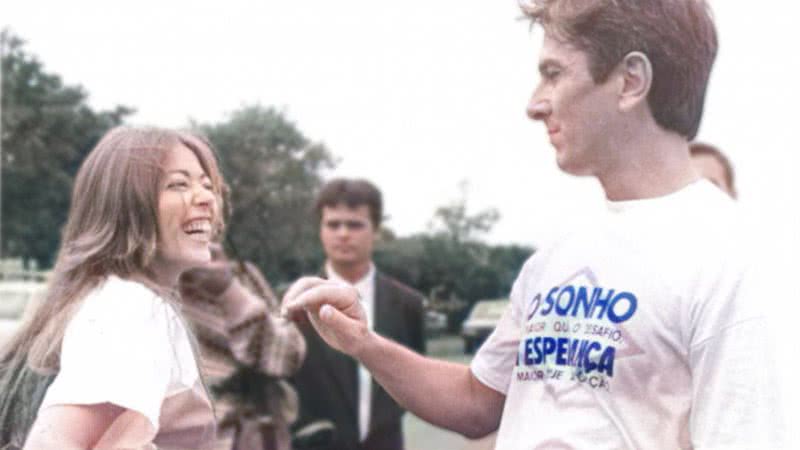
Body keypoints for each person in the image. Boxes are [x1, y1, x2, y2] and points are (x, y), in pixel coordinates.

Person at [281, 1, 784, 449]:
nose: (534, 103)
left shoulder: (734, 258)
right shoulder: (557, 256)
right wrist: (361, 342)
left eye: (554, 73)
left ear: (631, 81)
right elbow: (478, 403)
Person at [0, 126, 225, 449]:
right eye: (178, 184)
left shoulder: (111, 298)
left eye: (207, 185)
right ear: (124, 206)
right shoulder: (132, 306)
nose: (207, 198)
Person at [290, 178, 426, 450]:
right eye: (333, 224)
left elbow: (414, 378)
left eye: (354, 224)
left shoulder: (408, 304)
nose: (343, 233)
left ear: (375, 230)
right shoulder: (293, 303)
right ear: (320, 230)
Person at [178, 243, 306, 450]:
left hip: (257, 437)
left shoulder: (243, 276)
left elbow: (288, 358)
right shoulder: (131, 289)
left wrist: (228, 291)